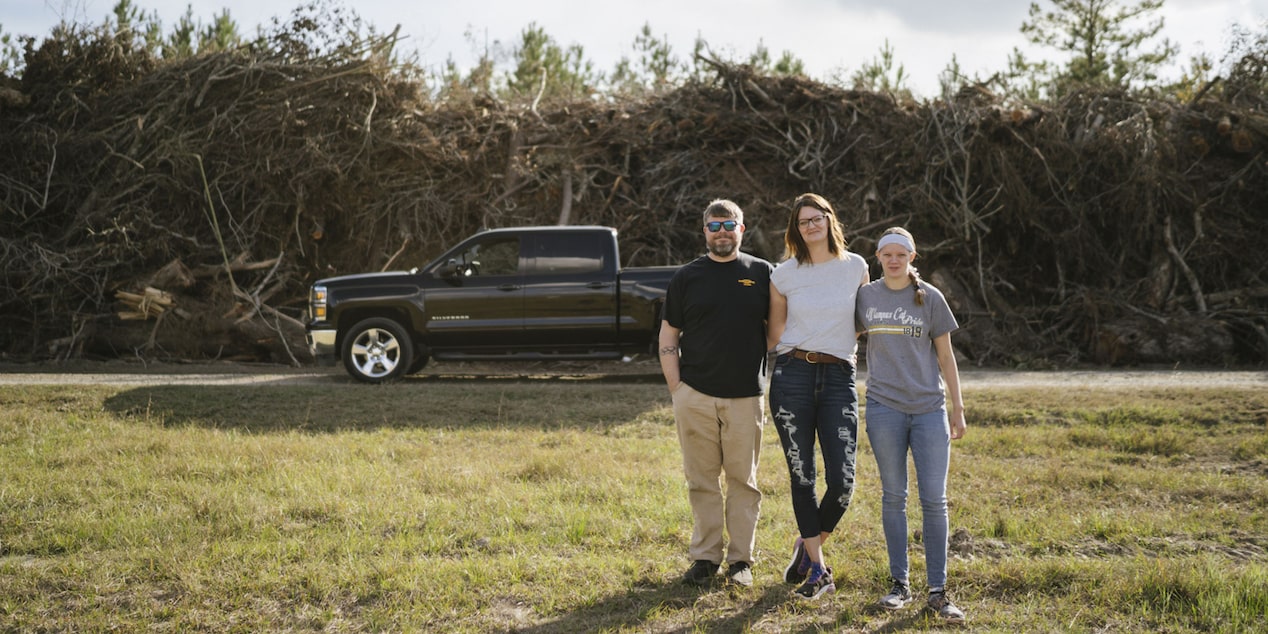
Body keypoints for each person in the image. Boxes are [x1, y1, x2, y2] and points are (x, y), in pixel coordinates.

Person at [659, 199, 773, 588]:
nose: (722, 231)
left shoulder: (761, 272)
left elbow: (775, 330)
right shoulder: (687, 277)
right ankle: (706, 558)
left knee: (744, 481)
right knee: (702, 480)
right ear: (704, 231)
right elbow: (668, 336)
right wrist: (678, 389)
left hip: (745, 396)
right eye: (714, 225)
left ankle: (742, 561)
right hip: (696, 396)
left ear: (743, 228)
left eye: (730, 224)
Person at [855, 227, 967, 623]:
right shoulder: (865, 296)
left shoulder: (931, 298)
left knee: (934, 501)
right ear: (878, 257)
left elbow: (947, 358)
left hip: (928, 410)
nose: (894, 260)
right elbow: (844, 338)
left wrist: (957, 407)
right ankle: (898, 586)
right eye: (887, 254)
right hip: (883, 409)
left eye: (901, 254)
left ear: (913, 257)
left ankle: (937, 592)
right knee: (893, 496)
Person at [766, 193, 869, 600]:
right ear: (796, 228)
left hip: (839, 376)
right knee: (802, 475)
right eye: (803, 221)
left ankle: (808, 545)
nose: (811, 226)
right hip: (792, 375)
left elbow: (862, 321)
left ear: (829, 220)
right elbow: (775, 334)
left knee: (843, 482)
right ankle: (820, 571)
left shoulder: (856, 266)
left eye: (817, 218)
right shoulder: (784, 274)